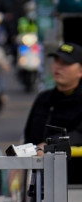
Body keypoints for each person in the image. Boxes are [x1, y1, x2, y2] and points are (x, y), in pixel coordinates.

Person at [24, 43, 82, 183]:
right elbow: (29, 138)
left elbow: (79, 135)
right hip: (41, 182)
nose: (58, 66)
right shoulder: (44, 99)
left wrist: (49, 145)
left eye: (66, 63)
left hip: (74, 184)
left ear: (80, 71)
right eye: (56, 61)